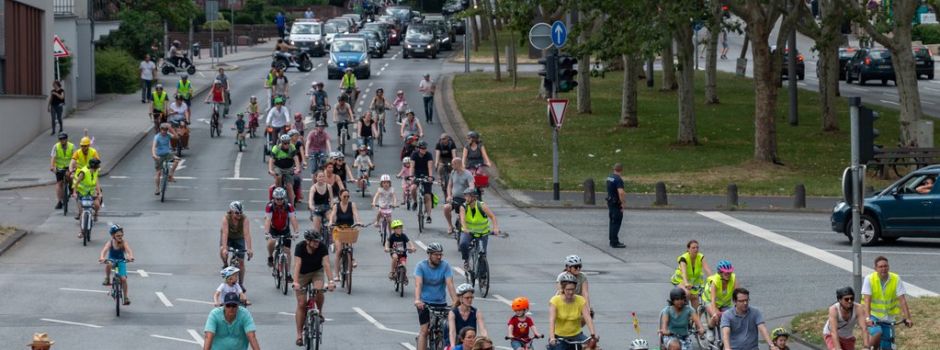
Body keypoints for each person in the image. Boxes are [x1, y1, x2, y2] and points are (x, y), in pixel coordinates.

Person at [291, 230, 336, 346]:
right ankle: (299, 335)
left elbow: (326, 264)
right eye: (315, 241)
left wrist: (331, 281)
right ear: (308, 241)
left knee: (319, 290)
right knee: (301, 304)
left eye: (318, 241)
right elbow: (297, 264)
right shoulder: (300, 247)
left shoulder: (322, 247)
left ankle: (319, 313)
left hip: (317, 271)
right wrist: (295, 282)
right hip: (302, 274)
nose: (317, 243)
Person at [414, 242, 458, 350]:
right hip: (425, 304)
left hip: (441, 303)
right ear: (429, 255)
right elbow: (418, 284)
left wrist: (455, 301)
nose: (439, 257)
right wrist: (417, 300)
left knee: (446, 329)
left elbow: (450, 284)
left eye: (440, 254)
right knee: (425, 330)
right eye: (436, 254)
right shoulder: (421, 266)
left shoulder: (445, 266)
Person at [863, 256, 913, 348]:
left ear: (889, 267)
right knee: (877, 333)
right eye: (880, 267)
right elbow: (867, 301)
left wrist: (908, 318)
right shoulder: (869, 279)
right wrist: (867, 318)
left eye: (885, 266)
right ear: (875, 269)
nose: (883, 269)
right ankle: (867, 348)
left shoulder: (896, 278)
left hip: (888, 317)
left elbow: (902, 300)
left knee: (888, 345)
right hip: (873, 316)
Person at [549, 273, 597, 350]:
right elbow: (552, 320)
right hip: (560, 337)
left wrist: (593, 335)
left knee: (593, 347)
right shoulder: (555, 301)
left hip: (577, 335)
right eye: (568, 289)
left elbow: (588, 318)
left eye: (572, 289)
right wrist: (552, 337)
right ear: (563, 289)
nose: (571, 292)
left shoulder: (580, 300)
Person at [458, 188, 499, 270]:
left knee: (482, 254)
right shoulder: (463, 206)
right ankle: (466, 260)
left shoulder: (482, 206)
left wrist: (495, 228)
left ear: (473, 197)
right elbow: (462, 219)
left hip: (482, 233)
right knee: (463, 243)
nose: (466, 198)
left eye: (467, 196)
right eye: (465, 196)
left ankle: (483, 278)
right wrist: (465, 229)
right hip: (469, 232)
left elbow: (493, 217)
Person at [328, 189, 363, 278]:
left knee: (349, 246)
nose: (346, 198)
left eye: (348, 196)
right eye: (344, 196)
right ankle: (336, 275)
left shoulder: (352, 205)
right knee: (339, 250)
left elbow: (355, 214)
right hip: (338, 229)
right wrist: (330, 222)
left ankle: (351, 258)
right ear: (340, 196)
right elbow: (332, 215)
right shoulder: (336, 206)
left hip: (348, 229)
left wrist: (359, 221)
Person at [98, 224, 135, 304]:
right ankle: (107, 278)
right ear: (113, 235)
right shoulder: (110, 243)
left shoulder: (124, 243)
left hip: (121, 261)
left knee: (123, 279)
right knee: (109, 264)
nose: (120, 237)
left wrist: (130, 257)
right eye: (118, 235)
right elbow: (104, 250)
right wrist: (102, 257)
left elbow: (129, 251)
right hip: (112, 260)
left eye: (121, 235)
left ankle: (125, 298)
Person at [264, 187, 300, 269]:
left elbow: (293, 219)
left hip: (285, 229)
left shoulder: (289, 206)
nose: (279, 201)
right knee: (271, 242)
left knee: (287, 251)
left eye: (281, 199)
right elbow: (268, 220)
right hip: (273, 229)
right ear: (274, 198)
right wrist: (266, 233)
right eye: (277, 199)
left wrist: (296, 231)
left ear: (284, 198)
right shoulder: (270, 206)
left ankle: (288, 273)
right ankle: (270, 256)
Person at [671, 239, 712, 309]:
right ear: (688, 249)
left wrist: (712, 280)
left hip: (692, 283)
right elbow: (684, 273)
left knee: (695, 298)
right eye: (693, 248)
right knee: (687, 293)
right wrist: (686, 283)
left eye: (697, 248)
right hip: (680, 281)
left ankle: (694, 316)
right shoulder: (684, 258)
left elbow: (707, 269)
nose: (696, 249)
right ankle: (683, 310)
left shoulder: (701, 257)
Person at [220, 201, 253, 285]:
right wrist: (224, 249)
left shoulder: (244, 219)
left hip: (239, 238)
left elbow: (247, 234)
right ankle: (225, 264)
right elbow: (225, 234)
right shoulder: (226, 218)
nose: (239, 215)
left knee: (241, 262)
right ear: (231, 211)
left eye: (241, 213)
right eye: (237, 213)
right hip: (228, 237)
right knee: (223, 250)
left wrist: (249, 249)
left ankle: (241, 284)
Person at [702, 260, 736, 342]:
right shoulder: (715, 281)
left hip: (724, 303)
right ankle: (710, 328)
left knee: (733, 317)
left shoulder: (733, 278)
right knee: (716, 316)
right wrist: (715, 312)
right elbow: (713, 300)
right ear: (720, 273)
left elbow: (737, 295)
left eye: (730, 273)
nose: (728, 275)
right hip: (710, 300)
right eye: (726, 273)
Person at [555, 255, 592, 320]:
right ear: (568, 267)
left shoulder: (582, 276)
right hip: (564, 300)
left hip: (576, 300)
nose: (578, 269)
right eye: (575, 267)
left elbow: (585, 293)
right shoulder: (561, 276)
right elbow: (561, 292)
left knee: (586, 317)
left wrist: (588, 307)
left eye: (579, 266)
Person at [444, 157, 473, 234]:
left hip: (465, 199)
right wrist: (449, 195)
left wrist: (468, 193)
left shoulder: (468, 174)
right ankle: (450, 226)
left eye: (453, 164)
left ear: (458, 164)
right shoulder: (453, 172)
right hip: (455, 198)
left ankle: (463, 228)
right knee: (446, 207)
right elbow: (449, 185)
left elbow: (472, 186)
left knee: (461, 216)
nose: (451, 165)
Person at [152, 123, 180, 194]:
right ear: (160, 130)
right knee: (158, 173)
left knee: (176, 160)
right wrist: (154, 155)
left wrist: (171, 129)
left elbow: (176, 137)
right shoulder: (157, 137)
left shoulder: (168, 135)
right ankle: (157, 189)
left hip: (168, 154)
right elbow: (153, 147)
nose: (164, 131)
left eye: (165, 130)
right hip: (159, 155)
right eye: (163, 130)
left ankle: (170, 175)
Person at [411, 141, 435, 222]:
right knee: (413, 188)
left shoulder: (429, 155)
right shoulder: (414, 154)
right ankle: (415, 202)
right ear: (418, 148)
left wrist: (430, 177)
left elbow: (430, 167)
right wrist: (411, 176)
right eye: (422, 148)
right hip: (417, 174)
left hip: (426, 175)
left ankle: (428, 216)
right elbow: (412, 166)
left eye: (425, 148)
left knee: (427, 196)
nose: (424, 150)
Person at [73, 158, 102, 224]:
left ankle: (96, 214)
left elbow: (96, 182)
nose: (99, 168)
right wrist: (74, 193)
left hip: (91, 192)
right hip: (81, 192)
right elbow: (76, 183)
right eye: (98, 166)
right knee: (81, 211)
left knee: (97, 205)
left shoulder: (95, 171)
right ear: (94, 166)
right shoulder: (83, 172)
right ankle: (82, 231)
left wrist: (99, 193)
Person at [605, 163, 627, 248]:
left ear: (613, 169)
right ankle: (614, 242)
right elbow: (621, 192)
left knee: (612, 222)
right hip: (616, 203)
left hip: (610, 201)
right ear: (621, 170)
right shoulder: (618, 179)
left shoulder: (609, 178)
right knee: (616, 223)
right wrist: (622, 203)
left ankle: (612, 240)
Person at [50, 133, 74, 210]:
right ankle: (59, 202)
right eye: (60, 139)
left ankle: (71, 187)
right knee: (59, 184)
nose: (62, 141)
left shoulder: (72, 146)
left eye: (63, 139)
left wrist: (74, 167)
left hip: (69, 167)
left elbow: (75, 158)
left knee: (69, 176)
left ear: (67, 139)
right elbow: (53, 157)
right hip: (59, 168)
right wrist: (52, 166)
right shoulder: (56, 146)